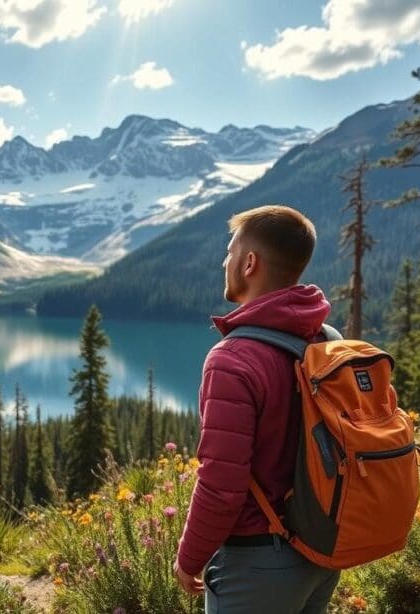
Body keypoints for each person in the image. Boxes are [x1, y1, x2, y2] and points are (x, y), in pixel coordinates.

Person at [173, 204, 340, 613]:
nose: (223, 260)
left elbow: (220, 485)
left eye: (230, 251)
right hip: (322, 549)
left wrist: (188, 558)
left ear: (250, 263)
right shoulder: (327, 339)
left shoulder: (233, 358)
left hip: (256, 562)